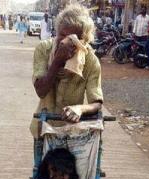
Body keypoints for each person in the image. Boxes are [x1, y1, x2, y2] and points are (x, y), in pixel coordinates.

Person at [31, 4, 103, 141]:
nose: (66, 42)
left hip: (72, 132)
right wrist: (57, 61)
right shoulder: (44, 49)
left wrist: (80, 109)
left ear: (84, 40)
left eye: (74, 38)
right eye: (62, 35)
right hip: (43, 128)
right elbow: (41, 91)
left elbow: (97, 102)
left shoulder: (91, 61)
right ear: (56, 32)